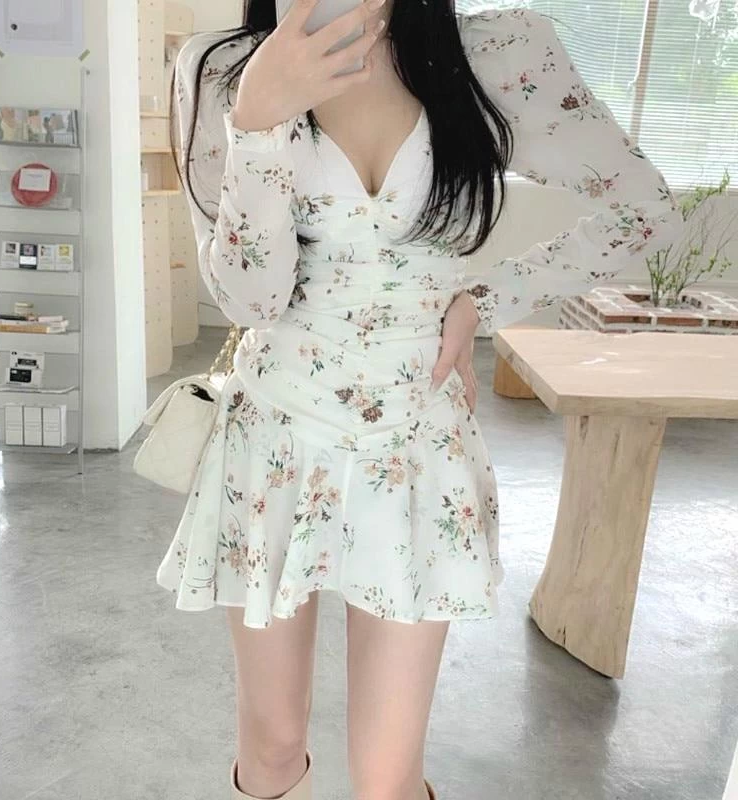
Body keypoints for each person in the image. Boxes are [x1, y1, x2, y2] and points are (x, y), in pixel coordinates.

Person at [156, 2, 683, 798]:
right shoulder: (221, 68)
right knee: (271, 749)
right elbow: (251, 300)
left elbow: (643, 208)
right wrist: (259, 119)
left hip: (414, 447)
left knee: (388, 779)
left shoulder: (499, 51)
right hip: (274, 442)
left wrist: (485, 300)